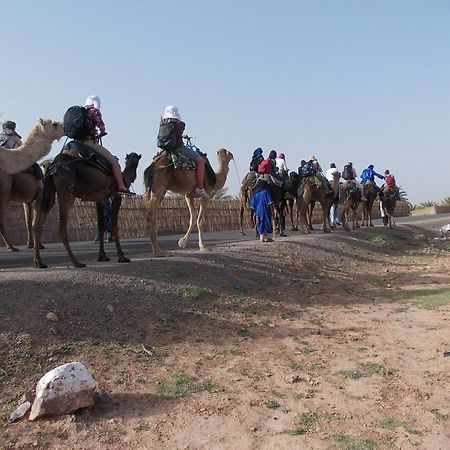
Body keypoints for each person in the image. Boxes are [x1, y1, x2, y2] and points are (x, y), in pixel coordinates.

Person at [80, 95, 134, 196]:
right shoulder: (94, 111)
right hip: (89, 143)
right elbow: (101, 126)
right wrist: (102, 131)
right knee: (114, 161)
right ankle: (122, 186)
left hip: (76, 143)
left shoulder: (81, 112)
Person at [159, 105, 209, 198]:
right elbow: (178, 134)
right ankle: (200, 187)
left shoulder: (162, 123)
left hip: (165, 148)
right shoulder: (179, 123)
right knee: (201, 161)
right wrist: (183, 136)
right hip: (178, 147)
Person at [0, 121, 44, 189]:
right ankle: (41, 188)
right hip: (12, 160)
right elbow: (23, 149)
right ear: (14, 128)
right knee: (36, 167)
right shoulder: (14, 137)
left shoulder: (0, 136)